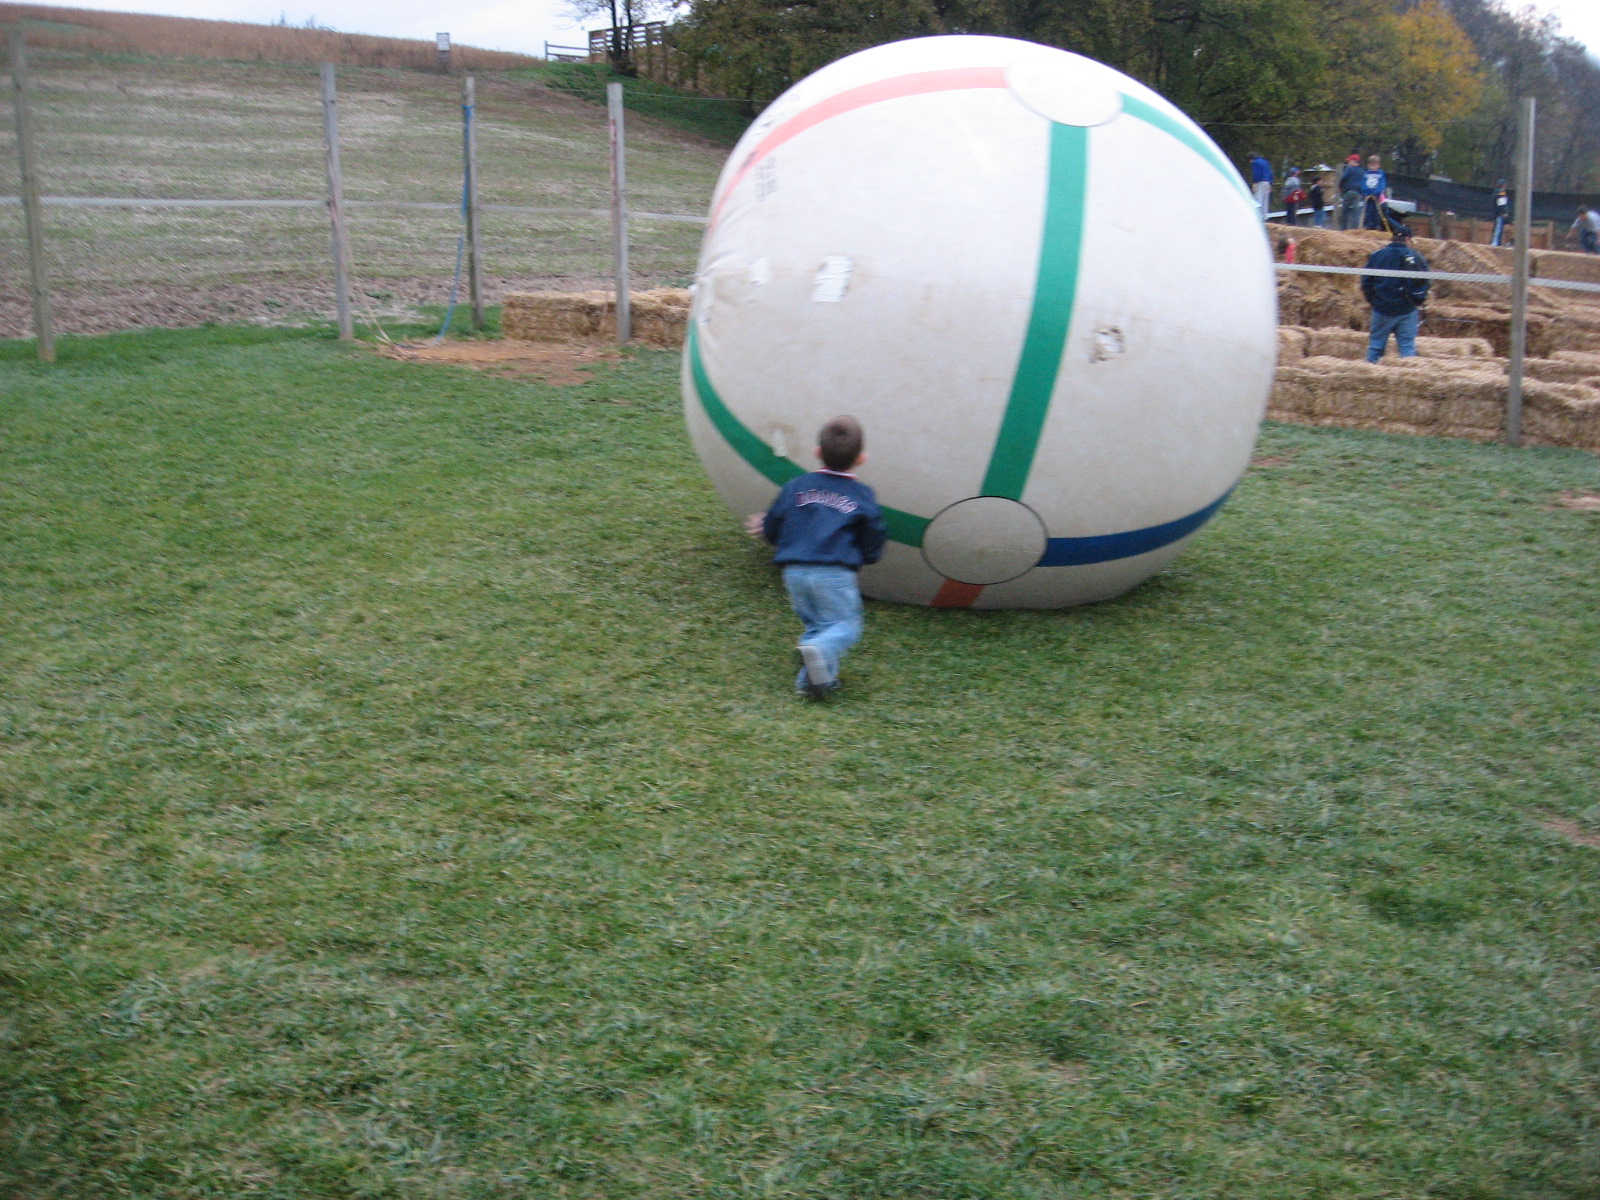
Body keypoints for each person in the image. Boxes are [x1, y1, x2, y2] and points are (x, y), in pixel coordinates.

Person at [744, 416, 887, 699]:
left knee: (818, 626)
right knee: (845, 626)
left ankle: (813, 684)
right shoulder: (861, 495)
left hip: (794, 572)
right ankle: (819, 652)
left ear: (817, 452)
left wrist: (770, 534)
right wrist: (869, 555)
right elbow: (874, 530)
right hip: (833, 573)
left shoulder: (796, 485)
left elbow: (774, 520)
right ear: (861, 458)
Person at [1360, 224, 1430, 363]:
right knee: (1407, 348)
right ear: (1408, 239)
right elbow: (1424, 282)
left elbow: (1366, 282)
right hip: (1407, 310)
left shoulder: (1377, 255)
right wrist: (1417, 301)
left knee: (1376, 346)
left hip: (1381, 308)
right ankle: (1409, 373)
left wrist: (1374, 301)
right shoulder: (1415, 257)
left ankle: (1370, 370)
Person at [1360, 155, 1389, 230]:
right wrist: (1366, 192)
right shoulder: (1366, 174)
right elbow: (1363, 184)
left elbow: (1382, 184)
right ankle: (1368, 225)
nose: (1373, 167)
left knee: (1377, 210)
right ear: (1368, 165)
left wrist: (1377, 192)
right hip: (1368, 195)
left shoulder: (1380, 174)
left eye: (1375, 165)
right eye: (1371, 165)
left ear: (1378, 165)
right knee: (1368, 210)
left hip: (1377, 195)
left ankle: (1376, 225)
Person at [1338, 154, 1363, 230]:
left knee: (1345, 211)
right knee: (1355, 212)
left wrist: (1340, 186)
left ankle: (1344, 228)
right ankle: (1354, 229)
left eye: (1349, 161)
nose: (1348, 162)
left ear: (1353, 161)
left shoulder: (1349, 169)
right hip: (1358, 193)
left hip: (1348, 191)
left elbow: (1344, 178)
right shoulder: (1361, 170)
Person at [1249, 152, 1273, 220]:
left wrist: (1254, 182)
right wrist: (1271, 183)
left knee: (1258, 199)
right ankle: (1264, 217)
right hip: (1267, 182)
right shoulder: (1265, 162)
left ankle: (1257, 216)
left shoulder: (1255, 162)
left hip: (1260, 182)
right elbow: (1270, 173)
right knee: (1265, 200)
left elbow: (1257, 173)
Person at [1492, 182, 1510, 247]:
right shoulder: (1500, 194)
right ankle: (1495, 243)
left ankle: (1497, 243)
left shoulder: (1496, 193)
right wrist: (1504, 212)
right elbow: (1502, 204)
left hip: (1497, 213)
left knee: (1498, 229)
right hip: (1499, 214)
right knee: (1498, 229)